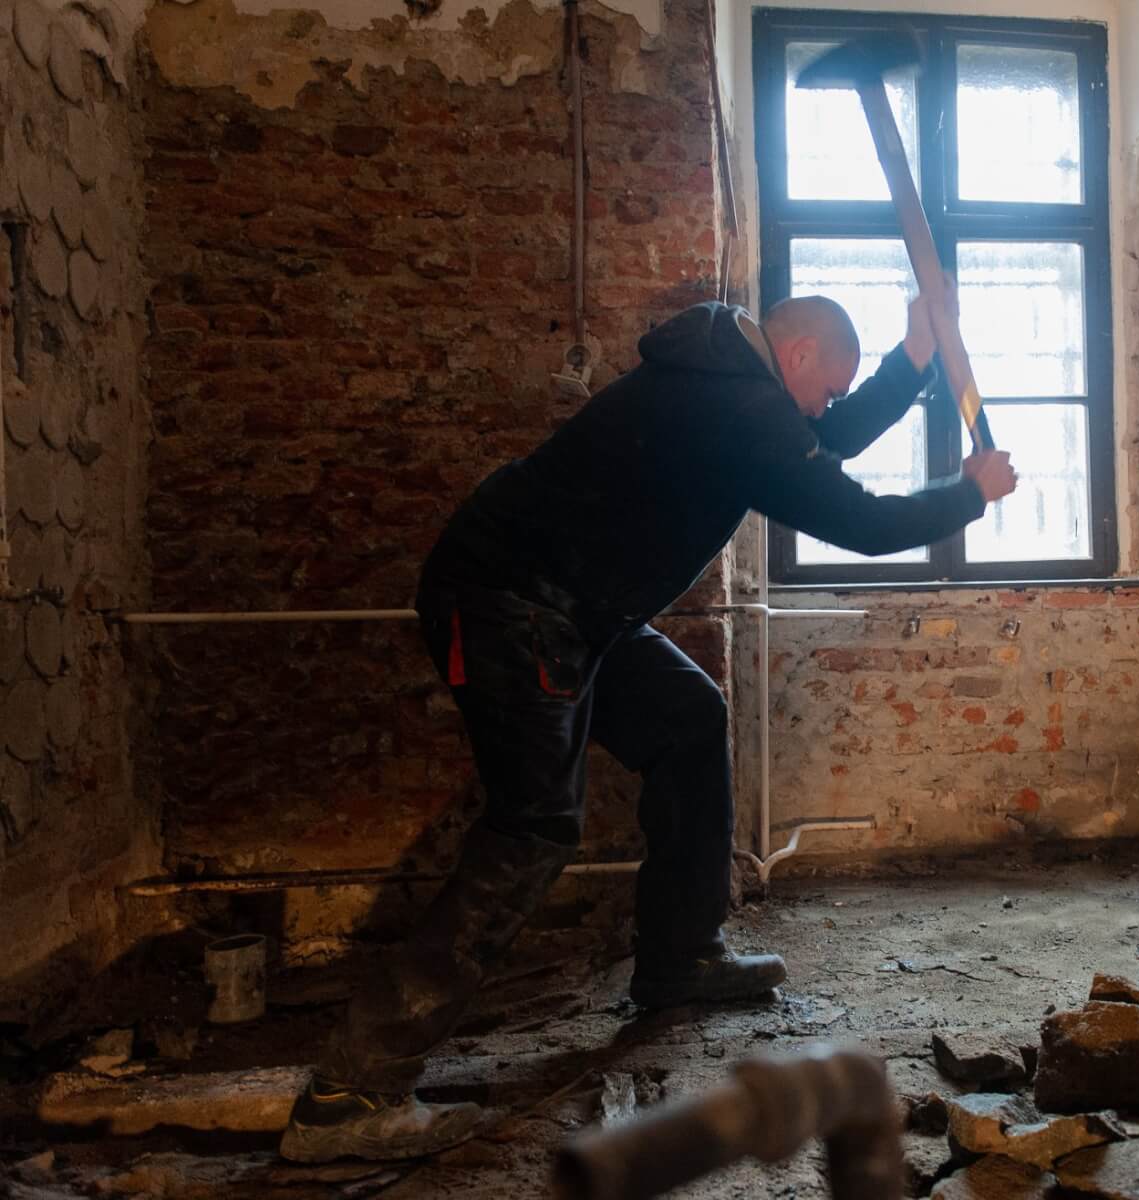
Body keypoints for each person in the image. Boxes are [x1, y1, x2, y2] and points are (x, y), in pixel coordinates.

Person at [279, 289, 1017, 1163]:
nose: (824, 409)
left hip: (577, 608)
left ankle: (679, 958)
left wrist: (913, 358)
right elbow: (855, 518)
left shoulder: (730, 379)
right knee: (532, 827)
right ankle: (351, 1092)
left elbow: (828, 440)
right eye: (827, 388)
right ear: (797, 355)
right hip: (510, 605)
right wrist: (966, 495)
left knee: (687, 720)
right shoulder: (737, 404)